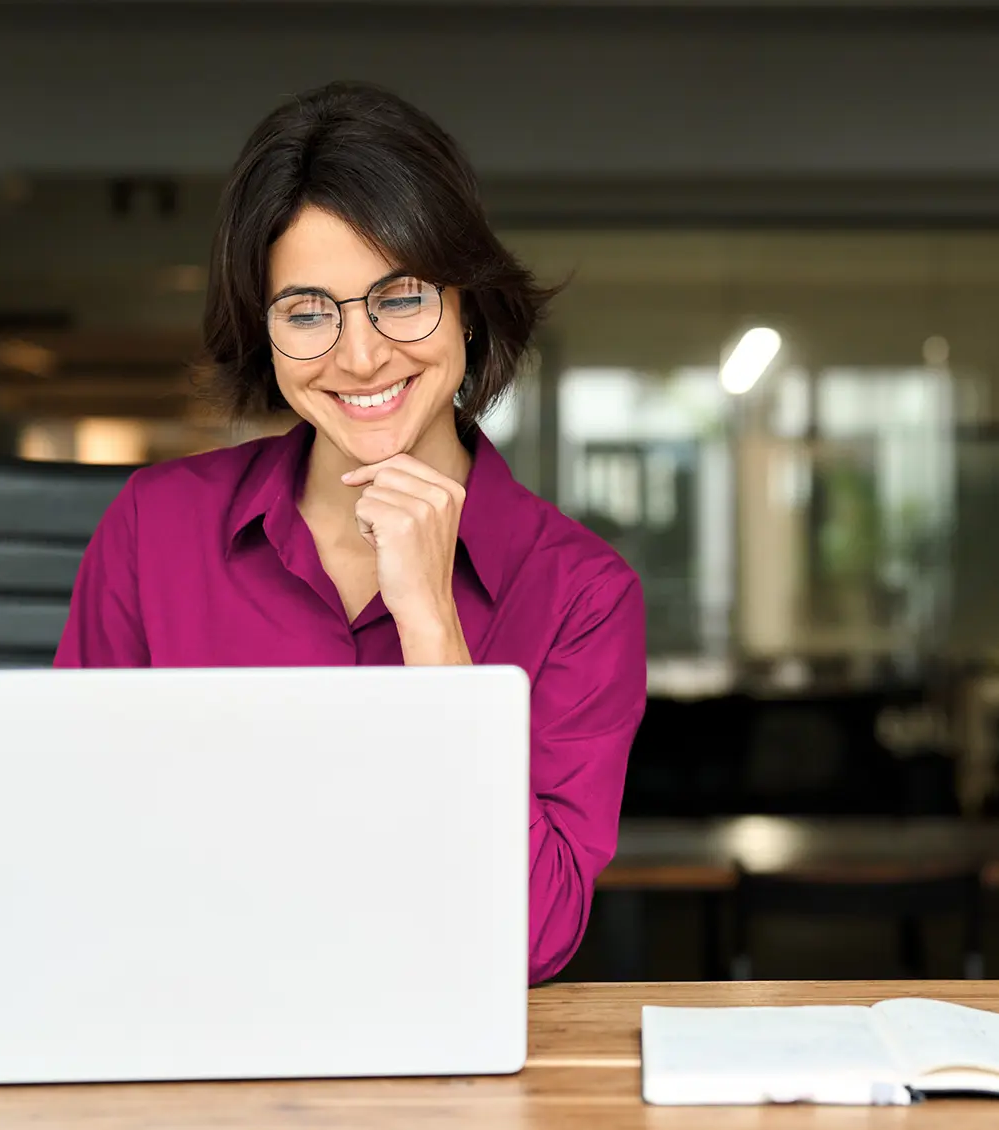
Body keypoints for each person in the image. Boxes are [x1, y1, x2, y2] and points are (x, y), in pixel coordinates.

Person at [55, 81, 647, 985]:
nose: (361, 355)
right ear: (266, 334)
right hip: (196, 1043)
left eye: (400, 297)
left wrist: (433, 631)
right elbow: (68, 858)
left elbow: (531, 939)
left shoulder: (582, 594)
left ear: (468, 304)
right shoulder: (152, 531)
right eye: (307, 311)